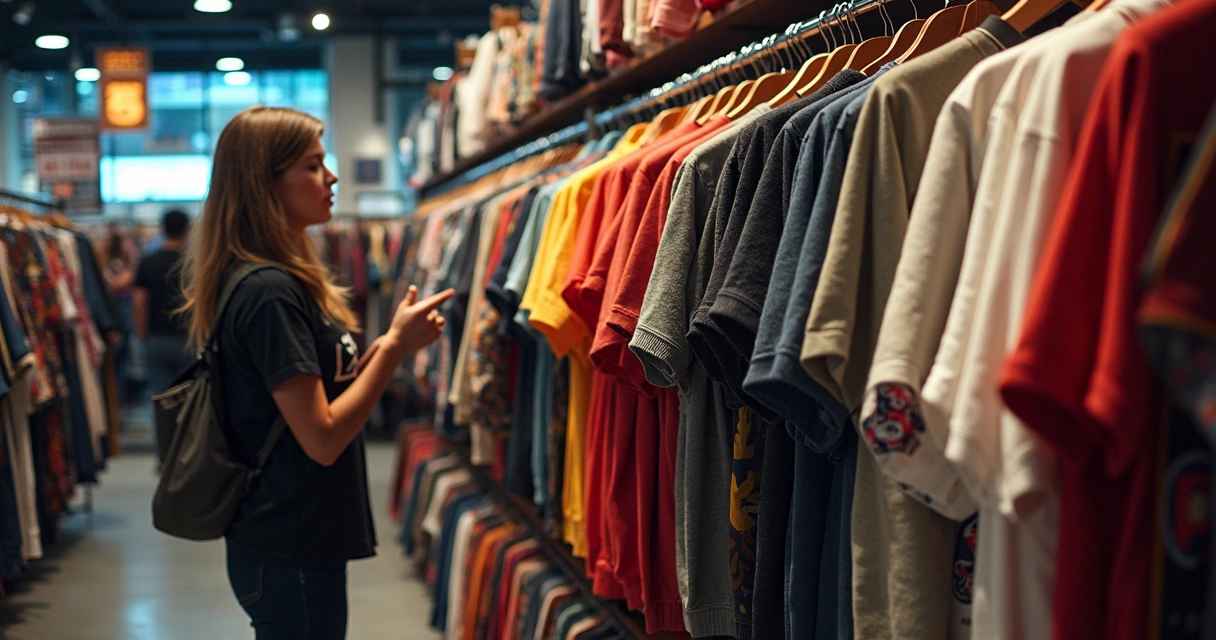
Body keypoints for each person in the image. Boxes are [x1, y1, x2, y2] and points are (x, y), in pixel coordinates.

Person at [178, 105, 452, 639]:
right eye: (312, 165)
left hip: (294, 535)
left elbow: (325, 393)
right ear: (266, 183)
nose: (331, 177)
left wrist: (387, 345)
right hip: (289, 541)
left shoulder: (282, 281)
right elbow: (321, 436)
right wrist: (395, 349)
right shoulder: (269, 292)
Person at [133, 210, 194, 410]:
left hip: (157, 338)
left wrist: (142, 334)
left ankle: (166, 440)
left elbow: (140, 302)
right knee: (191, 400)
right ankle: (190, 441)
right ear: (187, 231)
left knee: (161, 401)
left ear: (162, 229)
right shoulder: (193, 263)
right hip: (188, 338)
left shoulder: (148, 262)